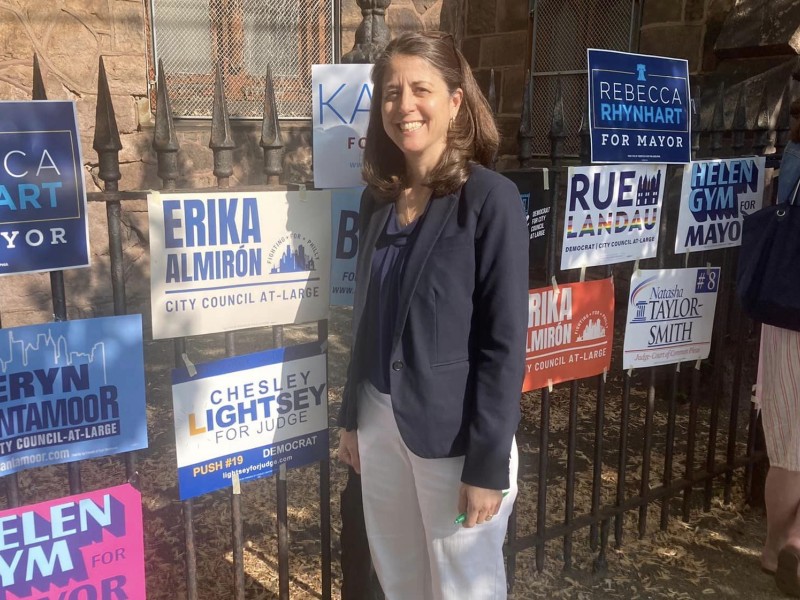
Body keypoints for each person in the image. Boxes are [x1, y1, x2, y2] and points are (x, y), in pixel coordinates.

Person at [336, 30, 528, 600]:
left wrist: (488, 465)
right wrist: (353, 418)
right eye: (391, 92)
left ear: (455, 101)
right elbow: (367, 319)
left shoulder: (489, 200)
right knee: (400, 577)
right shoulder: (377, 201)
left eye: (421, 88)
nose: (404, 106)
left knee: (465, 586)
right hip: (379, 419)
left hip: (452, 437)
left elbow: (504, 343)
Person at [759, 98, 800, 597]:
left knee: (789, 446)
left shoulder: (793, 155)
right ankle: (794, 538)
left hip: (787, 310)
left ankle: (776, 547)